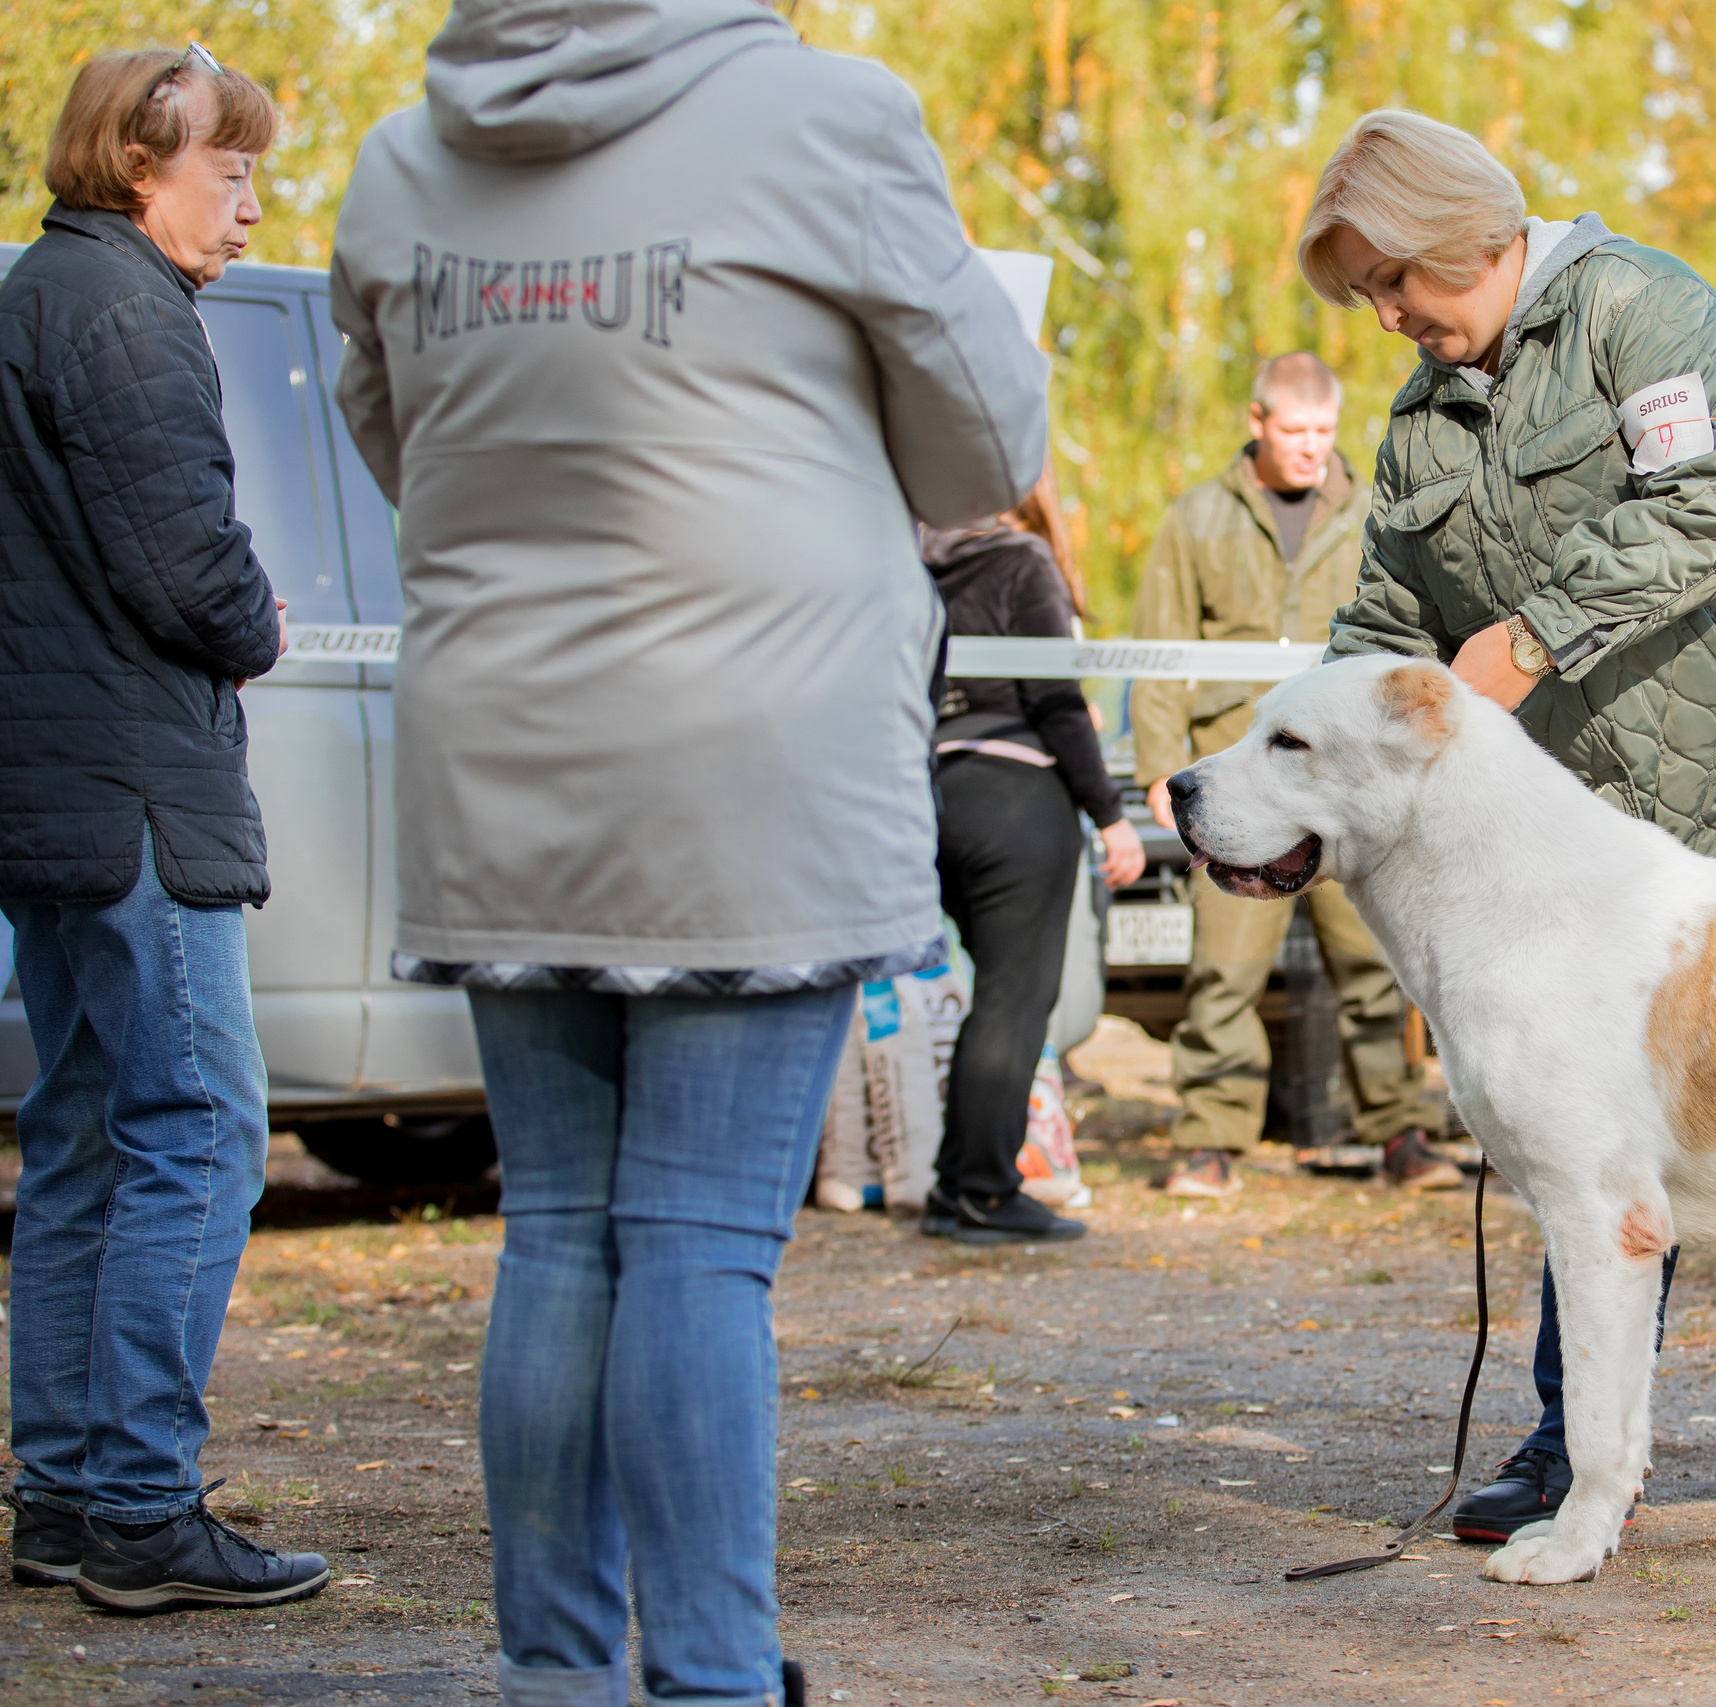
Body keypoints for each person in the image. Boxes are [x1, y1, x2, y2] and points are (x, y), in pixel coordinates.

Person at [327, 1, 1047, 1701]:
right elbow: (985, 451)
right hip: (751, 761)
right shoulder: (829, 118)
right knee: (701, 1244)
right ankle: (716, 1677)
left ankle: (554, 1673)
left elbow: (398, 450)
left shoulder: (401, 157)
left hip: (501, 756)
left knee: (561, 1230)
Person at [1298, 109, 1716, 1534]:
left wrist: (1530, 638)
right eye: (1366, 295)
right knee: (1584, 1130)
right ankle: (1572, 1450)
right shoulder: (1423, 419)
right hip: (1617, 833)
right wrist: (1284, 753)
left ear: (1467, 239)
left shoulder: (1644, 310)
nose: (1389, 317)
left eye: (1396, 282)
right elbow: (1386, 623)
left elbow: (1707, 507)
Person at [0, 44, 327, 1614]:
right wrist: (254, 617)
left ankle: (63, 1493)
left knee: (80, 1130)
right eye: (231, 168)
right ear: (141, 163)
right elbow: (185, 570)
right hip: (134, 784)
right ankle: (138, 1502)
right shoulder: (129, 312)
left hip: (54, 784)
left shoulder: (39, 296)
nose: (250, 200)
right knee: (197, 1131)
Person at [1132, 351, 1456, 1199]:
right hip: (1235, 782)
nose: (1312, 449)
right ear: (1258, 423)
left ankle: (1400, 1132)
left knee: (1374, 968)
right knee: (1226, 971)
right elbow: (1158, 654)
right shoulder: (1197, 517)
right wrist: (1160, 770)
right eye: (1295, 432)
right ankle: (1210, 1139)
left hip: (1343, 786)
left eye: (1323, 432)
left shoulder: (1370, 513)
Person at [922, 468, 1146, 1242]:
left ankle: (953, 1187)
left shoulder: (926, 569)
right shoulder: (1023, 563)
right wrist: (1110, 815)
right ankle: (986, 1191)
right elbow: (1056, 699)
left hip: (942, 794)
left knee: (995, 999)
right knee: (1019, 1004)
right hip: (1021, 799)